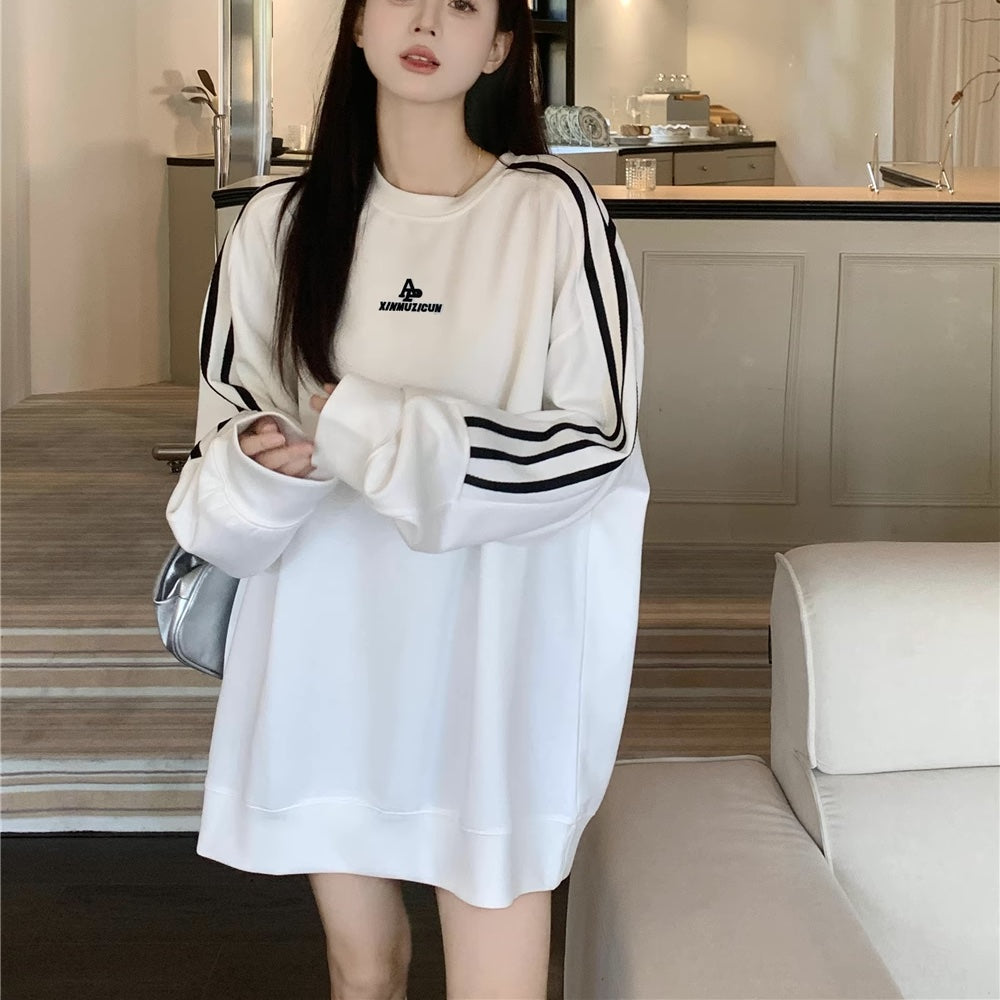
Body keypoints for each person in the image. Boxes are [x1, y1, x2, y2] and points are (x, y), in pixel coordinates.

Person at [165, 0, 650, 996]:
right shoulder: (276, 222)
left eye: (465, 2)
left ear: (501, 45)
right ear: (355, 25)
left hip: (491, 658)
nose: (427, 17)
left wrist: (372, 428)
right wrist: (258, 465)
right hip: (323, 652)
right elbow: (218, 459)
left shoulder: (552, 212)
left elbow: (595, 445)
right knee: (362, 968)